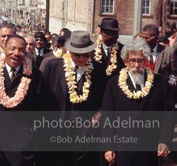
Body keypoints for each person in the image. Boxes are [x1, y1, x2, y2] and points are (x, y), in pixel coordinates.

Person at [101, 38, 174, 166]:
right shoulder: (113, 84)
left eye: (140, 60)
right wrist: (108, 146)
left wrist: (165, 140)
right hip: (123, 149)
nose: (136, 65)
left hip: (151, 149)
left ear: (146, 60)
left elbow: (169, 114)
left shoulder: (160, 83)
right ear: (125, 62)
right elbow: (108, 116)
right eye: (132, 60)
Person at [40, 30, 106, 166]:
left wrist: (98, 116)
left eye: (85, 56)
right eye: (77, 55)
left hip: (86, 132)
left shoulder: (98, 70)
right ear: (69, 52)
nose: (81, 59)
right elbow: (43, 97)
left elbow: (104, 99)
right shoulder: (54, 66)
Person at [0, 34, 42, 166]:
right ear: (4, 48)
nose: (16, 53)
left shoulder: (35, 77)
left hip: (23, 149)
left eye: (22, 50)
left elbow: (40, 109)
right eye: (12, 48)